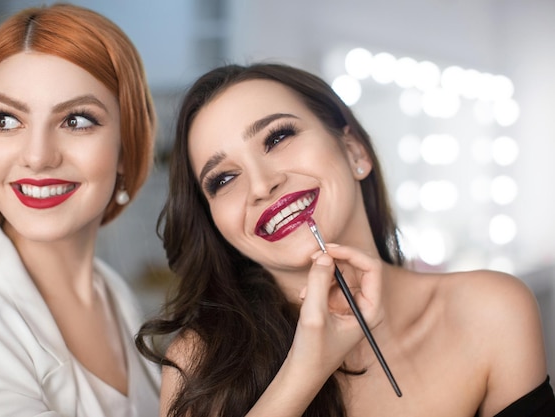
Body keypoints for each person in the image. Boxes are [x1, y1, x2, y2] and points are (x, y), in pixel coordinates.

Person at [136, 62, 555, 417]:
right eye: (223, 178)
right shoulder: (200, 362)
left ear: (354, 150)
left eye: (277, 137)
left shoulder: (490, 310)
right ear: (216, 224)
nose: (262, 185)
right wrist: (304, 371)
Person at [0, 4, 159, 416]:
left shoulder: (112, 292)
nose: (37, 157)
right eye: (5, 120)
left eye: (76, 120)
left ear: (128, 146)